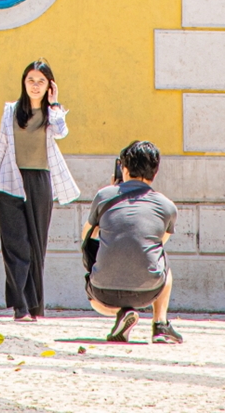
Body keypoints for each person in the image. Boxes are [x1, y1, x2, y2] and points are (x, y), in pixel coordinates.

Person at [0, 59, 81, 322]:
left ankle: (36, 306)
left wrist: (54, 104)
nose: (35, 86)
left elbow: (61, 133)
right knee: (16, 245)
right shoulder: (11, 111)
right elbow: (1, 147)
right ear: (23, 83)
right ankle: (21, 307)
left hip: (39, 181)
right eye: (31, 80)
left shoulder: (52, 114)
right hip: (9, 181)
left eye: (41, 81)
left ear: (49, 85)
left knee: (36, 246)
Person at [80, 139, 184, 345]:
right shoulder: (167, 206)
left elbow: (86, 236)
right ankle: (160, 324)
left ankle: (124, 314)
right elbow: (159, 242)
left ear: (124, 169)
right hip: (148, 292)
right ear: (155, 172)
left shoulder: (104, 195)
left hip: (102, 293)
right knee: (160, 256)